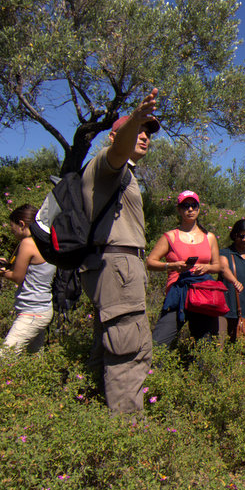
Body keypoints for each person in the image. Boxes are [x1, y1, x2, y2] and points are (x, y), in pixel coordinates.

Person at [79, 88, 158, 414]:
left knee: (109, 344)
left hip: (115, 266)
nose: (144, 137)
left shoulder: (123, 175)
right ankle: (127, 435)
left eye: (147, 133)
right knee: (130, 349)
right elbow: (117, 150)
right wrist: (134, 118)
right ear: (115, 136)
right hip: (118, 265)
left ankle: (95, 418)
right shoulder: (107, 165)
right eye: (138, 131)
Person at [147, 191, 222, 346]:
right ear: (179, 210)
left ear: (198, 209)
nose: (190, 209)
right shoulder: (170, 236)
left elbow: (217, 266)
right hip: (177, 294)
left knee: (205, 346)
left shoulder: (210, 237)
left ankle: (201, 370)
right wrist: (172, 266)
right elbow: (150, 262)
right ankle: (153, 370)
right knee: (159, 343)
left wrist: (206, 268)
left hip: (203, 295)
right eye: (185, 206)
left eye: (193, 205)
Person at [0, 205, 56, 357]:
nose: (12, 231)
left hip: (32, 312)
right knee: (33, 359)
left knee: (4, 357)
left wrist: (0, 273)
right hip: (42, 308)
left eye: (12, 227)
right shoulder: (45, 240)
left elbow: (17, 277)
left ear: (21, 224)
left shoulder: (28, 243)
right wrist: (8, 265)